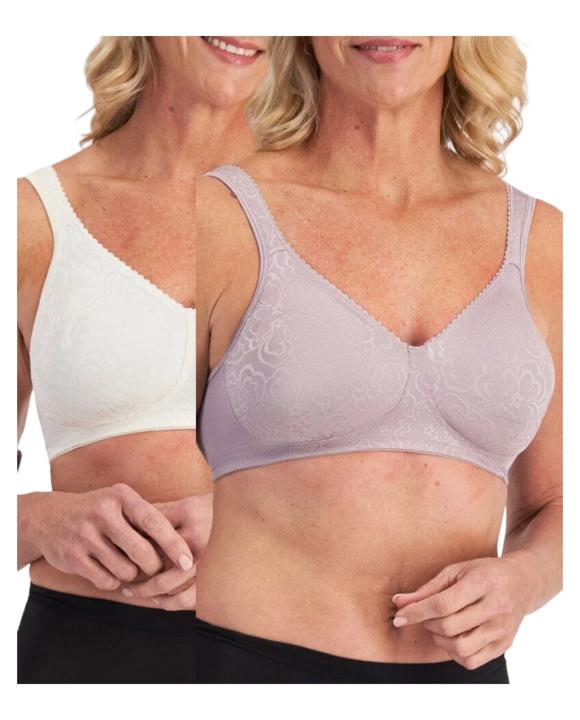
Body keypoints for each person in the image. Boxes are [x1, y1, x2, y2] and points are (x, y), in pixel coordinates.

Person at [195, 36, 562, 683]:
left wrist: (525, 580)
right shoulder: (219, 215)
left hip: (464, 685)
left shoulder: (544, 242)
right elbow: (135, 462)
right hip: (246, 670)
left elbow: (553, 502)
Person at [17, 35, 268, 683]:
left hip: (309, 644)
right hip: (91, 651)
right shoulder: (31, 220)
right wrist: (36, 520)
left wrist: (262, 536)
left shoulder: (345, 211)